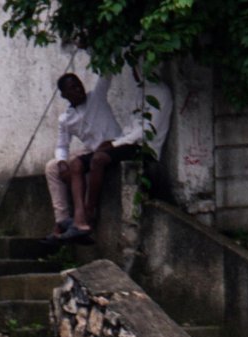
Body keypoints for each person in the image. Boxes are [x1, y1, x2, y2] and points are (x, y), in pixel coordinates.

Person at [43, 69, 171, 244]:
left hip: (115, 144)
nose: (79, 90)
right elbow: (61, 146)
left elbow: (106, 71)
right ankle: (63, 221)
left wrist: (88, 47)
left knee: (86, 163)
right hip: (94, 149)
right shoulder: (65, 119)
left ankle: (86, 217)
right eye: (73, 88)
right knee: (53, 166)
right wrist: (61, 162)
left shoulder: (96, 97)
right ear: (65, 95)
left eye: (79, 86)